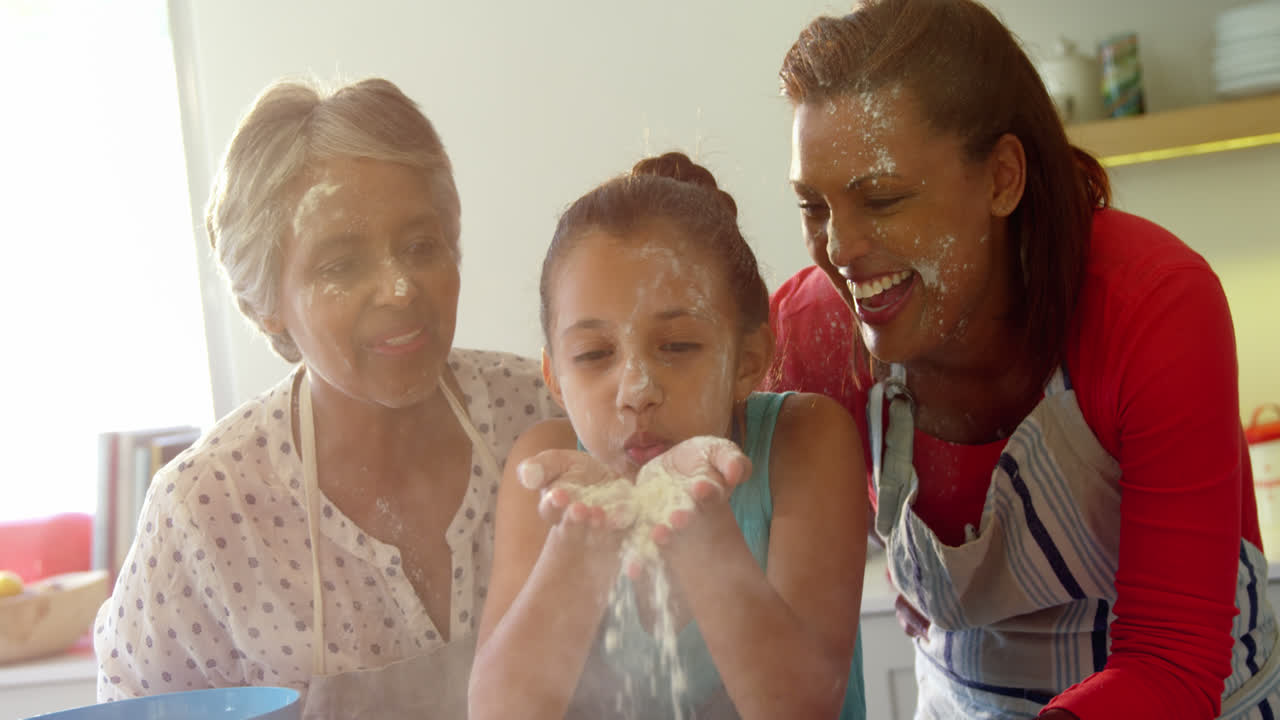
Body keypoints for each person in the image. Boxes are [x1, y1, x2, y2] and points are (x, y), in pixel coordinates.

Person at [766, 0, 1280, 718]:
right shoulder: (809, 332)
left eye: (881, 199)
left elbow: (1171, 662)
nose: (840, 250)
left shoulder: (1151, 305)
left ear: (1002, 177)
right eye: (812, 206)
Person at [92, 77, 561, 717]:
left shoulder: (546, 412)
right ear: (267, 306)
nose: (400, 289)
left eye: (421, 246)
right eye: (341, 264)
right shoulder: (204, 513)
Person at [469, 152, 868, 719]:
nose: (636, 388)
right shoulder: (546, 470)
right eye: (593, 354)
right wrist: (574, 552)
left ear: (747, 360)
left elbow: (803, 708)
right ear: (555, 377)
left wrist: (702, 532)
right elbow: (497, 712)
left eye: (678, 346)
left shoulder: (804, 443)